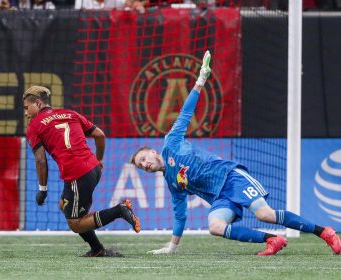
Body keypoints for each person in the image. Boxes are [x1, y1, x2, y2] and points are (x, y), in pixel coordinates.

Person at [129, 51, 341, 256]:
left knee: (264, 214)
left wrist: (200, 80)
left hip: (231, 177)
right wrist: (172, 247)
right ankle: (271, 239)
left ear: (153, 152)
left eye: (144, 158)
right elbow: (180, 215)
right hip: (220, 198)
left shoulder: (171, 142)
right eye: (141, 166)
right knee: (215, 226)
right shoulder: (172, 182)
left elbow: (186, 112)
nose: (145, 164)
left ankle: (325, 232)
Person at [23, 86, 140, 257]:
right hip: (92, 167)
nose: (26, 113)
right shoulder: (70, 113)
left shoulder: (34, 126)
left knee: (76, 223)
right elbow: (99, 135)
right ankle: (97, 249)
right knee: (64, 205)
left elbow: (41, 160)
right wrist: (99, 159)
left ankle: (119, 211)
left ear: (38, 103)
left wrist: (42, 190)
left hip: (77, 174)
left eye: (27, 108)